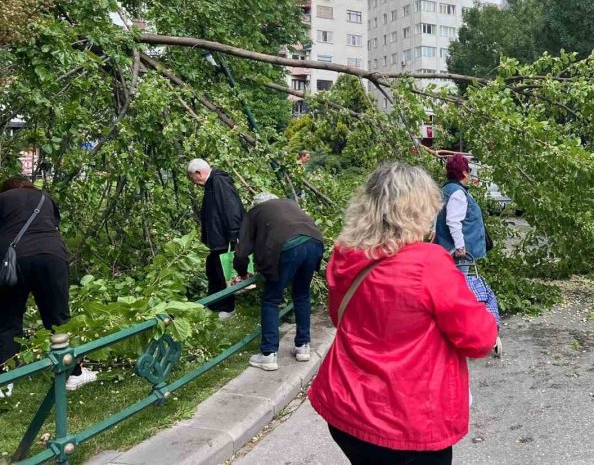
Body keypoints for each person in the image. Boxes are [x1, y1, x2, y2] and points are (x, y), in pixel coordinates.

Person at [308, 162, 497, 464]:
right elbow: (479, 339)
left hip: (347, 406)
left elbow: (339, 316)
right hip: (407, 421)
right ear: (418, 211)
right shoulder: (428, 263)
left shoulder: (346, 253)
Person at [0, 176, 97, 391]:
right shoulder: (45, 197)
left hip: (13, 260)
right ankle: (73, 374)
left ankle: (6, 382)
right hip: (51, 255)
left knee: (8, 318)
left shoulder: (3, 199)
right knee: (58, 316)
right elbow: (54, 224)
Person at [234, 192, 324, 371]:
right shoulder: (289, 204)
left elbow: (242, 250)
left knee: (271, 300)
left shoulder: (255, 212)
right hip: (315, 243)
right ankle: (303, 346)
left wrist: (242, 273)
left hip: (288, 247)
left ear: (256, 205)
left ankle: (268, 354)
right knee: (301, 295)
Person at [187, 159, 244, 320]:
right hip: (215, 241)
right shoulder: (212, 183)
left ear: (199, 173)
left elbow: (231, 208)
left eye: (193, 178)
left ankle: (228, 307)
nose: (195, 182)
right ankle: (214, 305)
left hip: (223, 240)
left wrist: (234, 235)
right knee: (212, 272)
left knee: (222, 274)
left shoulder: (219, 181)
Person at [435, 154, 487, 273]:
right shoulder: (457, 193)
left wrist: (433, 230)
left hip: (446, 248)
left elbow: (437, 214)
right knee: (458, 284)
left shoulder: (445, 189)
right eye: (469, 170)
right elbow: (453, 221)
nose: (469, 174)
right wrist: (460, 247)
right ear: (464, 172)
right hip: (457, 253)